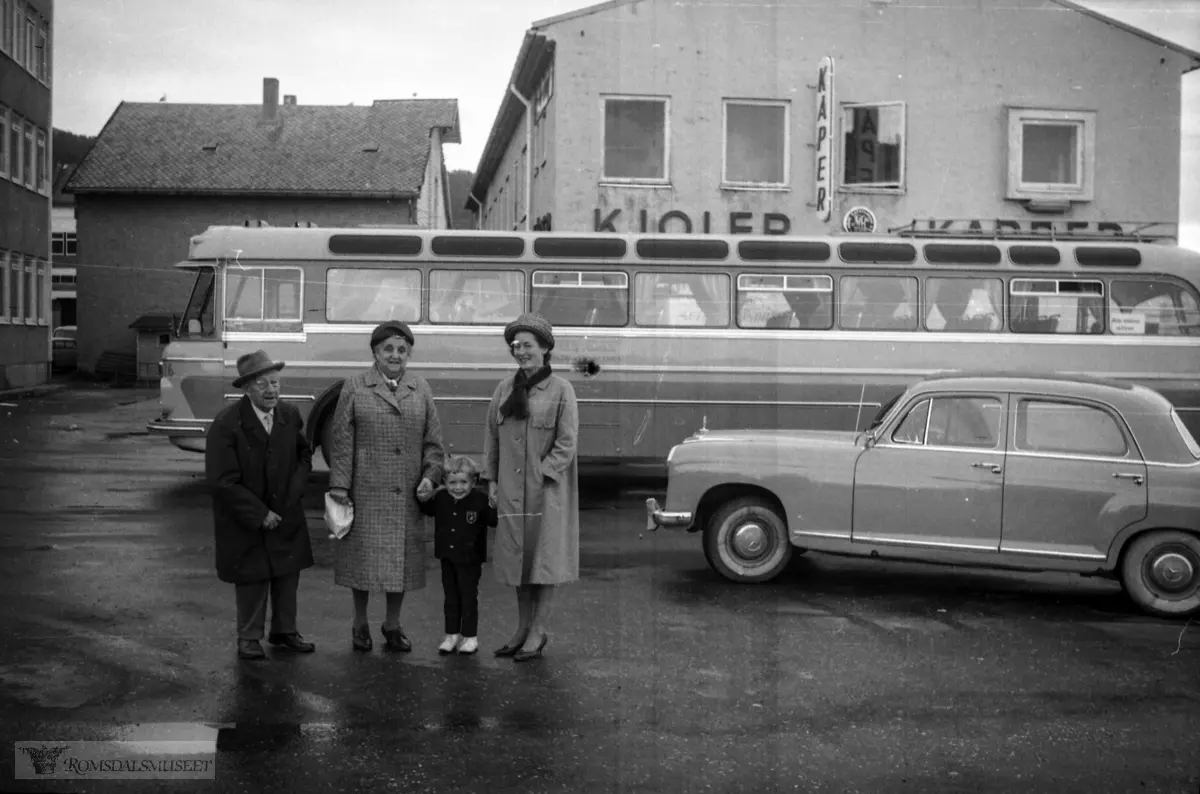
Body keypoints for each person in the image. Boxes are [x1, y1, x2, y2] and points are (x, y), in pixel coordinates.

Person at [328, 321, 445, 652]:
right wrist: (340, 485)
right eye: (388, 349)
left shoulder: (420, 387)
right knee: (361, 563)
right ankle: (359, 623)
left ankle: (392, 624)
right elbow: (341, 440)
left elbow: (433, 441)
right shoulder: (354, 387)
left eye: (402, 349)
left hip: (406, 492)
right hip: (365, 491)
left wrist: (430, 476)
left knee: (401, 564)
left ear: (409, 354)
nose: (395, 355)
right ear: (375, 353)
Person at [205, 350, 315, 660]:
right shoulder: (227, 424)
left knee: (287, 574)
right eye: (263, 385)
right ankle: (249, 637)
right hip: (247, 520)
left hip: (286, 514)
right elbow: (222, 480)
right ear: (247, 388)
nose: (272, 391)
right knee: (252, 577)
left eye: (276, 383)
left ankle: (285, 632)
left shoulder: (289, 415)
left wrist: (293, 493)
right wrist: (259, 513)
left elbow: (304, 455)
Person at [484, 313, 580, 662]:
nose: (521, 351)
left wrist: (544, 473)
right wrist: (492, 480)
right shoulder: (503, 390)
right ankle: (522, 628)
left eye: (528, 345)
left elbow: (567, 443)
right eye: (516, 346)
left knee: (544, 563)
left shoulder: (561, 390)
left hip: (547, 492)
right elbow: (492, 438)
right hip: (510, 490)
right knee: (518, 564)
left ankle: (539, 631)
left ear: (545, 349)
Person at [417, 454, 498, 656]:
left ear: (473, 482)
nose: (458, 487)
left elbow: (493, 521)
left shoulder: (480, 501)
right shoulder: (441, 498)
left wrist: (496, 504)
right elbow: (426, 508)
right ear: (445, 482)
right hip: (447, 557)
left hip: (470, 560)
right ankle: (451, 635)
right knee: (450, 597)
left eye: (464, 482)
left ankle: (470, 637)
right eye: (453, 482)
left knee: (468, 598)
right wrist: (422, 494)